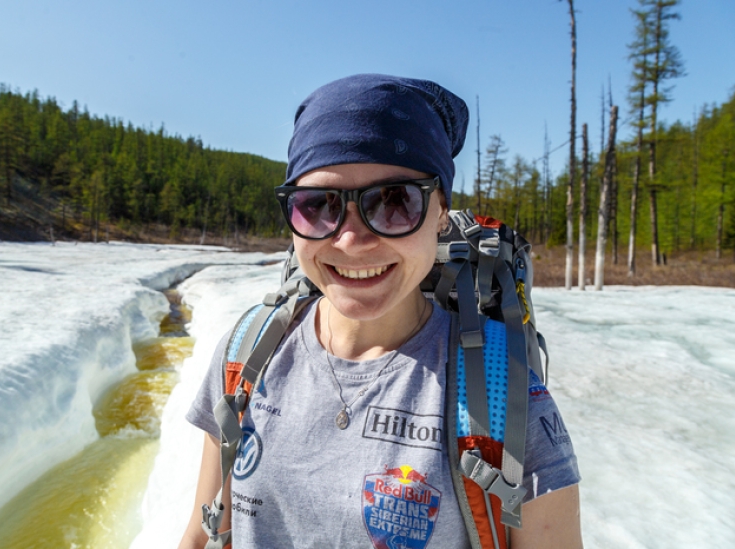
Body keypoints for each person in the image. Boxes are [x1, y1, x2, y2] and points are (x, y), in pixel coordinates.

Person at [179, 74, 583, 549]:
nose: (351, 240)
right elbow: (201, 534)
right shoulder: (248, 352)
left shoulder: (502, 395)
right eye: (319, 205)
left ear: (440, 214)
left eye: (395, 201)